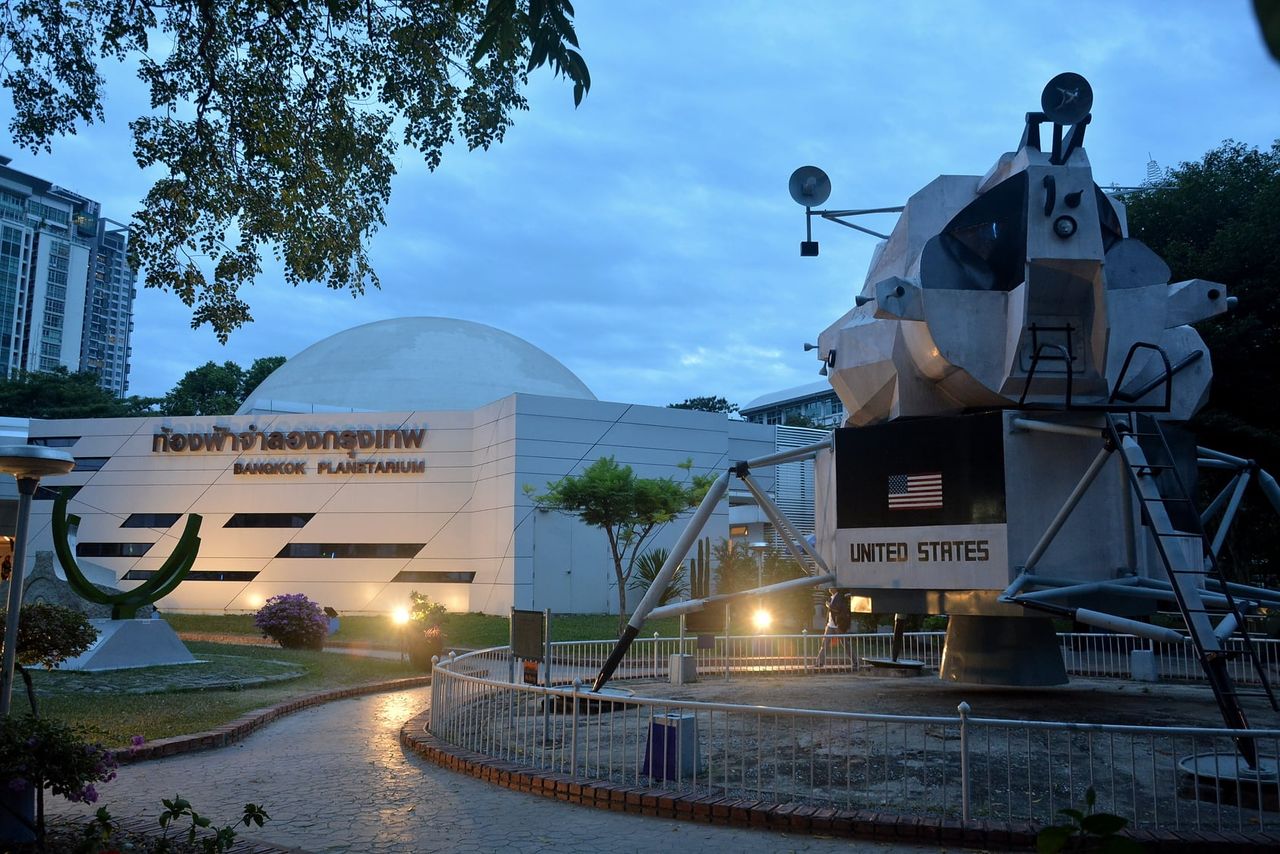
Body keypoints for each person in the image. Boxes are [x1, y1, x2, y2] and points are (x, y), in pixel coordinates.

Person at [815, 588, 853, 668]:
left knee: (845, 644)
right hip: (830, 625)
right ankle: (819, 663)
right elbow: (830, 612)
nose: (829, 588)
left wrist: (829, 605)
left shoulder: (840, 597)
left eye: (831, 587)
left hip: (838, 625)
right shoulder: (831, 598)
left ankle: (855, 662)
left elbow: (837, 609)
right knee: (824, 644)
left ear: (835, 589)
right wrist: (827, 623)